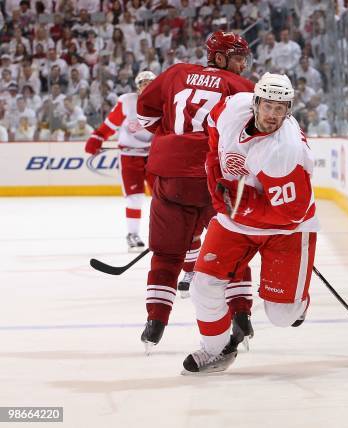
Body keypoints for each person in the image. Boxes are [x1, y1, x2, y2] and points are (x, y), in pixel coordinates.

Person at [182, 73, 319, 375]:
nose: (273, 115)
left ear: (289, 110)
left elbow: (292, 213)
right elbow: (214, 135)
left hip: (287, 230)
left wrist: (241, 206)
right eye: (268, 105)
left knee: (282, 316)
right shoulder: (233, 107)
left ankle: (298, 300)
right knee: (203, 285)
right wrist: (214, 171)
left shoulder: (285, 151)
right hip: (236, 221)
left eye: (280, 108)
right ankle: (215, 350)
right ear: (255, 101)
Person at [136, 31, 255, 354]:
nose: (243, 63)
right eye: (237, 57)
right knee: (233, 246)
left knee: (167, 252)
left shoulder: (176, 73)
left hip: (171, 175)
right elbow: (254, 136)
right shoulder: (241, 87)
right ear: (219, 58)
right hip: (215, 178)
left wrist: (174, 140)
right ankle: (241, 313)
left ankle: (156, 321)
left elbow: (145, 114)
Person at [85, 70, 157, 251]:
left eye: (150, 83)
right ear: (137, 86)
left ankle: (162, 233)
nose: (146, 87)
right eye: (143, 83)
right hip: (129, 157)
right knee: (135, 198)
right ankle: (132, 234)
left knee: (161, 197)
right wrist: (98, 137)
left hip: (154, 157)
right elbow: (111, 124)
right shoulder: (127, 101)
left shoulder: (163, 103)